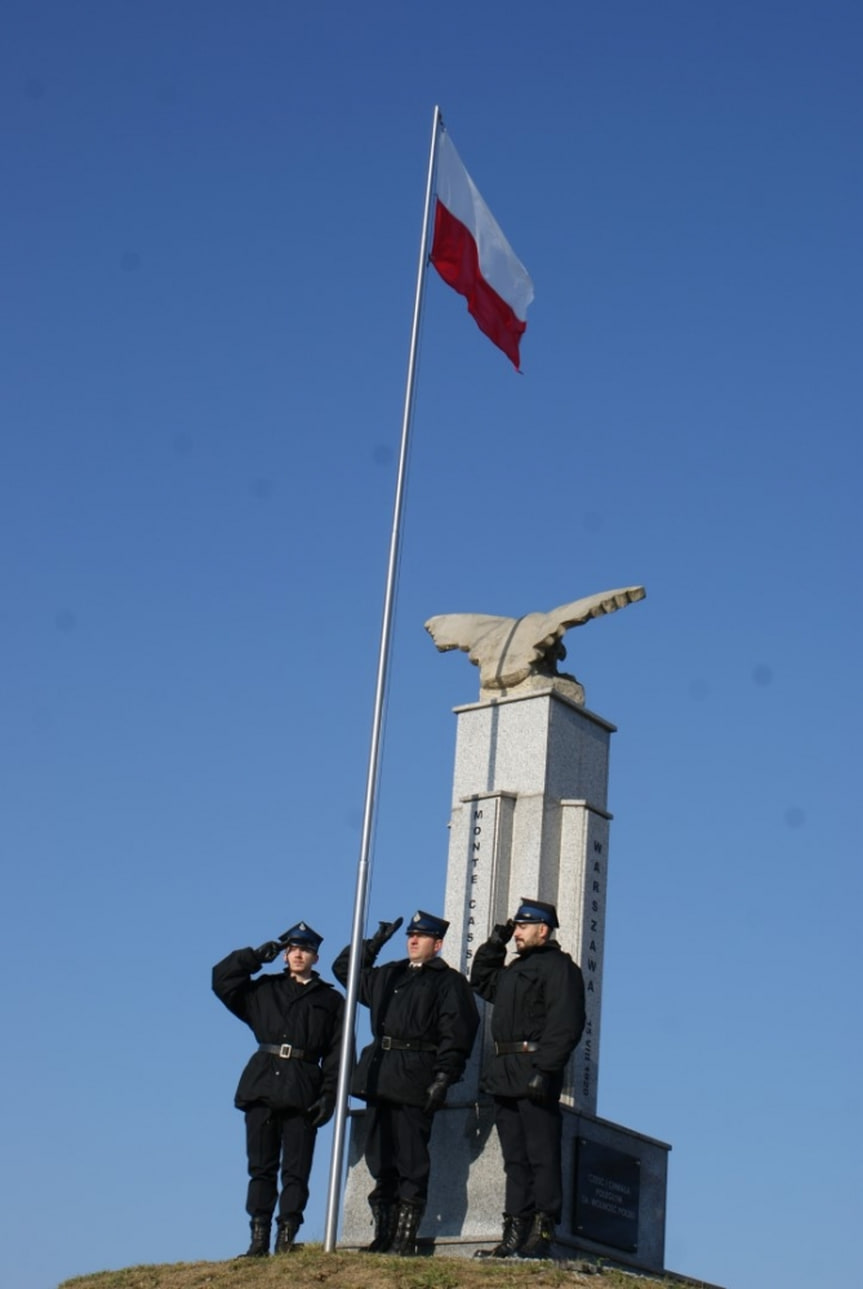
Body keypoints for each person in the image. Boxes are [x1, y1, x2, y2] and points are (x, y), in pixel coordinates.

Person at [333, 910, 479, 1257]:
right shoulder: (389, 974)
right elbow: (345, 971)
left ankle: (405, 1237)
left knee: (411, 1161)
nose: (413, 941)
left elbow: (456, 1033)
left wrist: (444, 1077)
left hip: (416, 1077)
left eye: (421, 936)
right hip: (380, 1075)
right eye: (410, 936)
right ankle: (383, 1235)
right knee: (380, 1158)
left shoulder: (448, 982)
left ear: (438, 944)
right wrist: (373, 944)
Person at [212, 921, 344, 1258]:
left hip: (303, 1090)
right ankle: (258, 1239)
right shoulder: (264, 990)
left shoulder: (330, 1000)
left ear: (315, 956)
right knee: (261, 1167)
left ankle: (287, 1236)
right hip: (263, 1085)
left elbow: (338, 1050)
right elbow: (222, 981)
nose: (298, 955)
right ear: (285, 954)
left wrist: (330, 1094)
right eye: (292, 949)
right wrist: (253, 958)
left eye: (305, 950)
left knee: (297, 1170)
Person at [470, 898, 586, 1260]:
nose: (517, 933)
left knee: (542, 1156)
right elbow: (481, 981)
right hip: (504, 1072)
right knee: (515, 1159)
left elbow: (566, 1024)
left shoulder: (560, 969)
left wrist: (546, 1070)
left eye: (522, 927)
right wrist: (495, 942)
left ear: (543, 930)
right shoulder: (514, 969)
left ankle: (543, 1228)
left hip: (535, 1071)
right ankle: (514, 1230)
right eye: (515, 927)